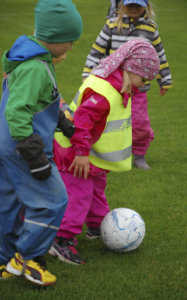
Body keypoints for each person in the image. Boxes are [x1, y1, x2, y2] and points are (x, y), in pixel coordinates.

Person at [49, 39, 160, 265]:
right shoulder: (104, 89)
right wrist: (80, 153)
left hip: (92, 156)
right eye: (144, 78)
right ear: (131, 69)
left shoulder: (121, 87)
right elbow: (82, 121)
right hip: (75, 154)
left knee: (96, 190)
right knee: (79, 196)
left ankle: (98, 225)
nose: (145, 83)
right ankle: (62, 240)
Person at [0, 0, 82, 286]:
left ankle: (4, 259)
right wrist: (34, 156)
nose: (71, 47)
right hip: (23, 148)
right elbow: (17, 111)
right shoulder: (35, 67)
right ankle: (29, 258)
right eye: (69, 41)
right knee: (52, 200)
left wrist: (60, 120)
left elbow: (34, 100)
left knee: (9, 203)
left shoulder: (29, 59)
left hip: (8, 147)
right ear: (55, 37)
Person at [82, 0, 172, 169]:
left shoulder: (150, 29)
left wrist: (165, 79)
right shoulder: (112, 25)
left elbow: (158, 55)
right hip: (113, 88)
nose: (133, 8)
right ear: (121, 4)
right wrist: (88, 72)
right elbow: (97, 49)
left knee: (140, 123)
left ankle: (139, 154)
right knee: (110, 123)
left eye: (137, 5)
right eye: (130, 4)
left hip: (138, 90)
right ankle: (103, 154)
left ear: (146, 6)